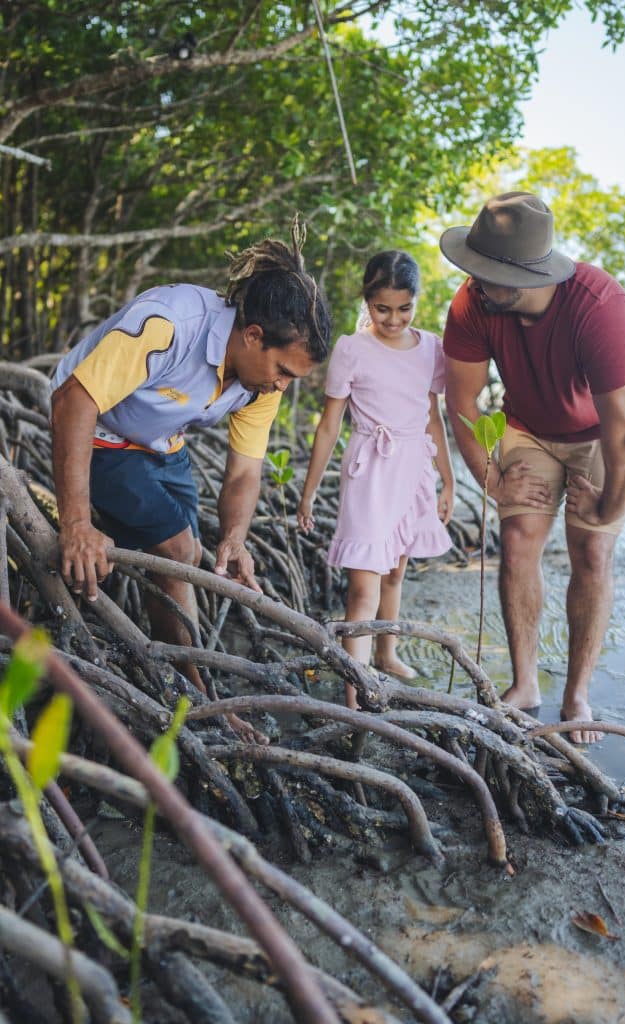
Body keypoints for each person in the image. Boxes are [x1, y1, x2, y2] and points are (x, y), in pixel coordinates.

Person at [51, 223, 331, 741]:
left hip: (163, 444)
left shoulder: (260, 383)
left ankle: (182, 687)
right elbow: (74, 400)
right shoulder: (170, 323)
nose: (282, 386)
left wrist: (236, 538)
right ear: (252, 336)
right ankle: (195, 697)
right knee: (179, 551)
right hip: (100, 434)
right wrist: (77, 523)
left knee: (190, 556)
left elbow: (245, 470)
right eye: (283, 371)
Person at [441, 192, 625, 743]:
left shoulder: (600, 307)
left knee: (593, 549)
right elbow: (461, 404)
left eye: (485, 274)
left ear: (523, 276)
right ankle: (525, 683)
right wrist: (492, 480)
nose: (472, 282)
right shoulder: (472, 303)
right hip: (528, 427)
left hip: (597, 438)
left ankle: (576, 694)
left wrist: (608, 506)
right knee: (517, 540)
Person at [298, 250, 454, 708]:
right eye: (382, 308)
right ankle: (355, 689)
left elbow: (434, 418)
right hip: (370, 469)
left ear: (416, 302)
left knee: (396, 570)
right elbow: (329, 424)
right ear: (367, 301)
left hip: (413, 467)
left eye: (404, 308)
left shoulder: (431, 348)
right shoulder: (352, 349)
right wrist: (308, 492)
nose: (393, 319)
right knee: (363, 586)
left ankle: (386, 653)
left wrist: (447, 480)